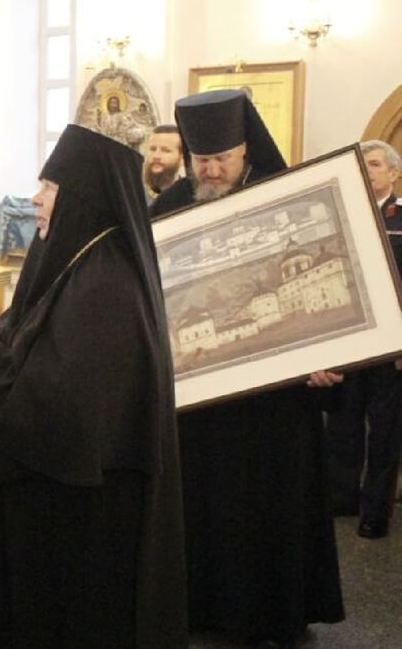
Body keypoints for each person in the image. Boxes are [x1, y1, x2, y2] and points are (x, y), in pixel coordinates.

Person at [0, 124, 187, 648]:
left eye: (49, 187)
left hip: (80, 518)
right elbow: (30, 337)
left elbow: (63, 404)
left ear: (82, 197)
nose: (35, 198)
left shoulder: (107, 284)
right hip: (49, 504)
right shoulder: (74, 259)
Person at [152, 89, 344, 646]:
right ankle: (202, 609)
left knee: (271, 507)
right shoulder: (167, 209)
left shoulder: (283, 195)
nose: (210, 172)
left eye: (222, 160)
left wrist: (330, 361)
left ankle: (277, 615)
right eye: (201, 161)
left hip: (277, 404)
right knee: (203, 506)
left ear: (245, 151)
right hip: (199, 407)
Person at [320, 140, 402, 539]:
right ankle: (342, 498)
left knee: (385, 433)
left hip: (391, 348)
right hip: (350, 342)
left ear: (394, 174)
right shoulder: (340, 214)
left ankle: (375, 512)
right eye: (362, 164)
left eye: (374, 164)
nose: (367, 170)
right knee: (343, 426)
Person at [142, 124, 184, 202]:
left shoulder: (190, 195)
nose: (156, 156)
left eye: (165, 150)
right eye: (152, 149)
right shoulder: (132, 194)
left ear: (182, 158)